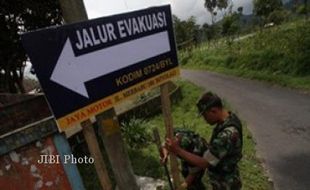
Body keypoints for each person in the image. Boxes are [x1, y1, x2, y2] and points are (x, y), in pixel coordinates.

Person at [165, 92, 243, 190]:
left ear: (213, 111)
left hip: (226, 183)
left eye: (205, 116)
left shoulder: (227, 135)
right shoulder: (229, 118)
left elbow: (204, 163)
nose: (205, 120)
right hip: (224, 177)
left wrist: (178, 150)